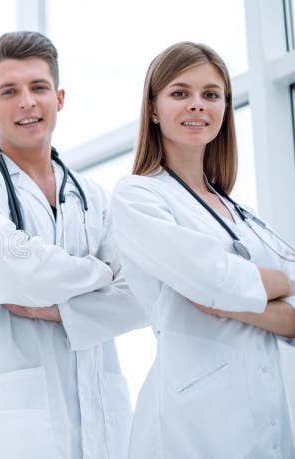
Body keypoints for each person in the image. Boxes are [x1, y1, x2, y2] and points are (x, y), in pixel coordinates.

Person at [0, 31, 146, 458]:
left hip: (102, 419)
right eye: (9, 91)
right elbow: (8, 270)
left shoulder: (94, 196)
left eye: (38, 87)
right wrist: (101, 273)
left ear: (60, 97)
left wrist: (60, 309)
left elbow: (141, 295)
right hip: (12, 428)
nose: (26, 102)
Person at [111, 41, 295, 459]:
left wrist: (235, 300)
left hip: (264, 410)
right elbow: (213, 281)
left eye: (211, 95)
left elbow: (222, 293)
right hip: (188, 420)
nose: (197, 105)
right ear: (154, 109)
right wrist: (276, 287)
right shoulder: (138, 195)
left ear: (225, 109)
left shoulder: (242, 215)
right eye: (180, 93)